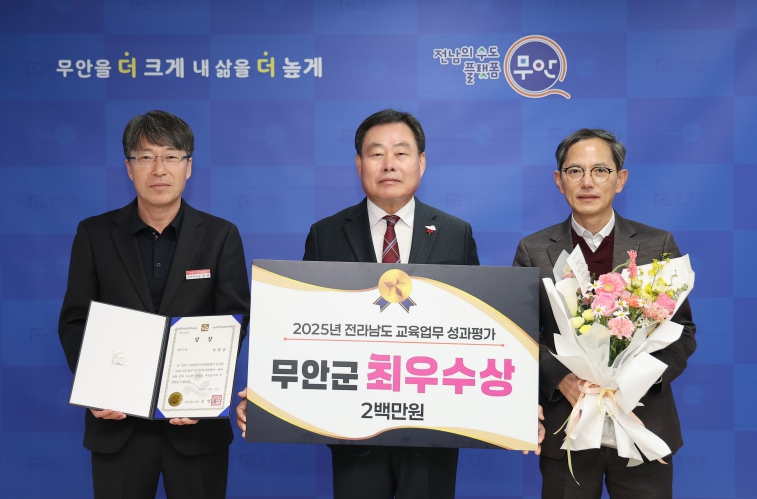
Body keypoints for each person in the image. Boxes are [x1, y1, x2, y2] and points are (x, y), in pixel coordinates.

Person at [237, 109, 518, 498]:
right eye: (376, 154)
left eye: (401, 153)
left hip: (432, 430)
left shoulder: (455, 234)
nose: (389, 164)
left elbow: (476, 330)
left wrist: (514, 401)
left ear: (421, 162)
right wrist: (269, 393)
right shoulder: (325, 234)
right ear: (359, 164)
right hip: (353, 433)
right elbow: (301, 330)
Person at [58, 110, 250, 499]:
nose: (159, 169)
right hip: (118, 424)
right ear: (129, 167)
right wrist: (97, 387)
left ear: (188, 166)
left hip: (195, 424)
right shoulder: (95, 234)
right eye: (146, 157)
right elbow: (75, 320)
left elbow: (236, 320)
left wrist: (205, 394)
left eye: (171, 156)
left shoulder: (220, 235)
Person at [513, 129, 696, 499]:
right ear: (559, 180)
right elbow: (521, 334)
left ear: (620, 179)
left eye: (600, 170)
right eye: (575, 171)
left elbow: (682, 331)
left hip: (642, 420)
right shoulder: (534, 249)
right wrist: (561, 380)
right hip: (568, 423)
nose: (587, 182)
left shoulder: (656, 244)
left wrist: (639, 381)